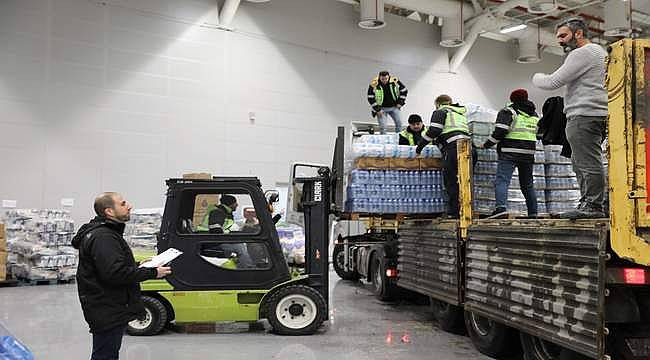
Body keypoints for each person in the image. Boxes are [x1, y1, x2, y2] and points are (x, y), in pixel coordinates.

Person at [72, 192, 171, 360]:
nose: (129, 206)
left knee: (106, 354)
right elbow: (115, 273)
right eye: (123, 203)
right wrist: (153, 272)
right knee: (105, 356)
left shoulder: (104, 233)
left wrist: (140, 266)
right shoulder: (104, 237)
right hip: (107, 306)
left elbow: (109, 267)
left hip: (107, 304)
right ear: (109, 211)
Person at [532, 17, 607, 219]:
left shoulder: (583, 53)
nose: (560, 40)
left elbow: (552, 82)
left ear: (579, 33)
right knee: (581, 161)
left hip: (585, 115)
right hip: (592, 114)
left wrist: (536, 76)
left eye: (563, 35)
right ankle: (590, 202)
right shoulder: (599, 52)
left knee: (587, 162)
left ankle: (594, 205)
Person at [481, 89, 539, 219]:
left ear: (512, 99)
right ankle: (533, 213)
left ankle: (500, 208)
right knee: (527, 184)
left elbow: (500, 131)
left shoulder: (508, 111)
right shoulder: (534, 115)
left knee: (502, 181)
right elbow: (539, 134)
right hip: (528, 153)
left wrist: (486, 144)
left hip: (509, 152)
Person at [415, 95, 471, 218]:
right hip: (469, 148)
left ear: (438, 104)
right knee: (466, 181)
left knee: (450, 180)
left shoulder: (440, 112)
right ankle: (467, 211)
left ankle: (455, 212)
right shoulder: (460, 114)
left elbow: (434, 130)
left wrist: (419, 148)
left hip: (454, 148)